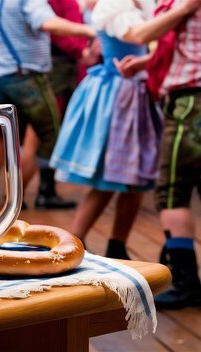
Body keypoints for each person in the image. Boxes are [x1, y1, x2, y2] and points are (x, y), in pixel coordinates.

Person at [51, 0, 163, 261]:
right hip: (117, 93)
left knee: (135, 180)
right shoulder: (112, 5)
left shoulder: (142, 5)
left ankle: (117, 245)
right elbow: (138, 35)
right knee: (106, 177)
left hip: (136, 91)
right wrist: (179, 17)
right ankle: (74, 241)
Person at [0, 0, 94, 210]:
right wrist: (90, 30)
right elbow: (48, 22)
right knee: (49, 133)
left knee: (3, 138)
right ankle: (41, 191)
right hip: (25, 78)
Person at [114, 0, 201, 309]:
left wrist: (183, 8)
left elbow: (139, 34)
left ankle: (185, 282)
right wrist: (146, 62)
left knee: (172, 192)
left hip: (191, 103)